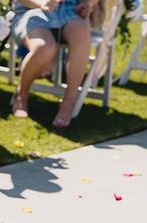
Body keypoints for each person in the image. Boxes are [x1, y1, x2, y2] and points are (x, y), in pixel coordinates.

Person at [9, 0, 96, 128]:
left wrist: (88, 3)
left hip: (70, 11)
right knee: (44, 48)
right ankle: (22, 93)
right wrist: (41, 3)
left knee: (82, 35)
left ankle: (69, 101)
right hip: (32, 11)